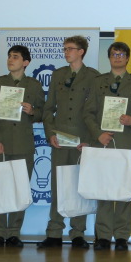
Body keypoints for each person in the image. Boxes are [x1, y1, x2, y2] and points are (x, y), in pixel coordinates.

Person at [83, 42, 131, 251]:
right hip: (103, 142)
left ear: (127, 58)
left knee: (124, 189)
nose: (117, 57)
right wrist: (98, 134)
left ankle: (122, 235)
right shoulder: (98, 82)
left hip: (126, 143)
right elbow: (88, 113)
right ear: (109, 57)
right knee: (103, 190)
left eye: (121, 54)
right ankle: (103, 235)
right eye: (114, 54)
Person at [39, 36, 99, 249]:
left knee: (79, 186)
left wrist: (90, 140)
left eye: (70, 49)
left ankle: (78, 234)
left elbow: (96, 111)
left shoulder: (93, 76)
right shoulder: (58, 75)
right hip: (60, 139)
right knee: (59, 186)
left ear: (81, 51)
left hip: (82, 140)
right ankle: (54, 233)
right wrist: (50, 133)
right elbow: (48, 108)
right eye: (64, 49)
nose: (66, 52)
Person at [0, 45, 45, 248]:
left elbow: (43, 113)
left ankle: (14, 232)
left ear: (25, 62)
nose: (10, 59)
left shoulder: (34, 85)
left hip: (23, 145)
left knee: (19, 190)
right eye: (9, 56)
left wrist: (32, 111)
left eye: (15, 57)